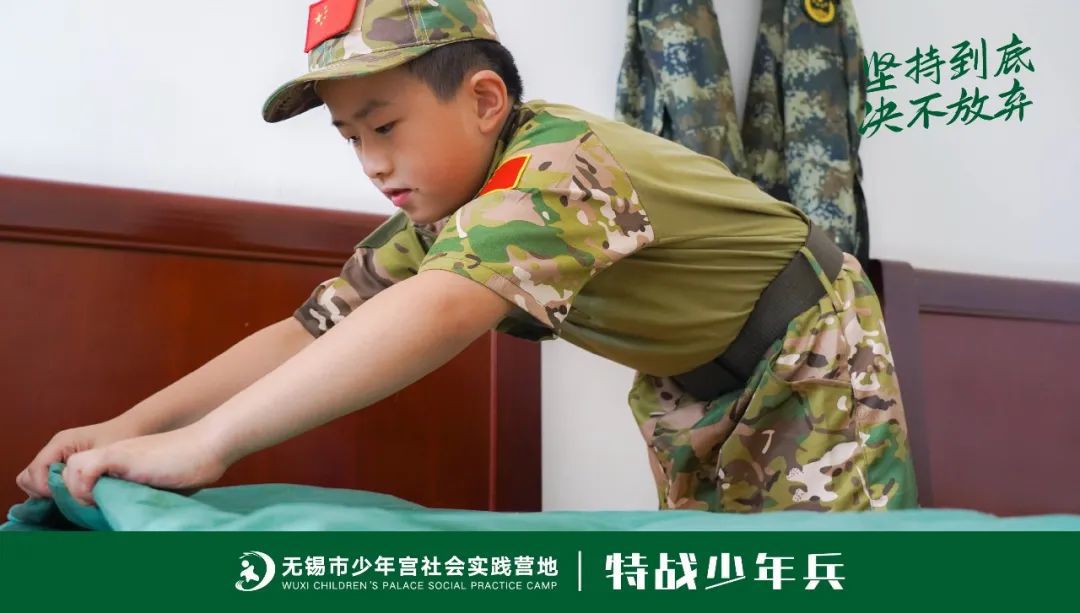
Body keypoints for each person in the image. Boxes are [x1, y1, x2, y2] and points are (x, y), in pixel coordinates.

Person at [16, 0, 917, 512]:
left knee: (833, 576)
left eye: (385, 126)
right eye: (350, 137)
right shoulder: (441, 215)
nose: (372, 163)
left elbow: (444, 304)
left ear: (485, 100)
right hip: (689, 380)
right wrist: (131, 426)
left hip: (807, 349)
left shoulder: (557, 168)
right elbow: (309, 331)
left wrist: (208, 446)